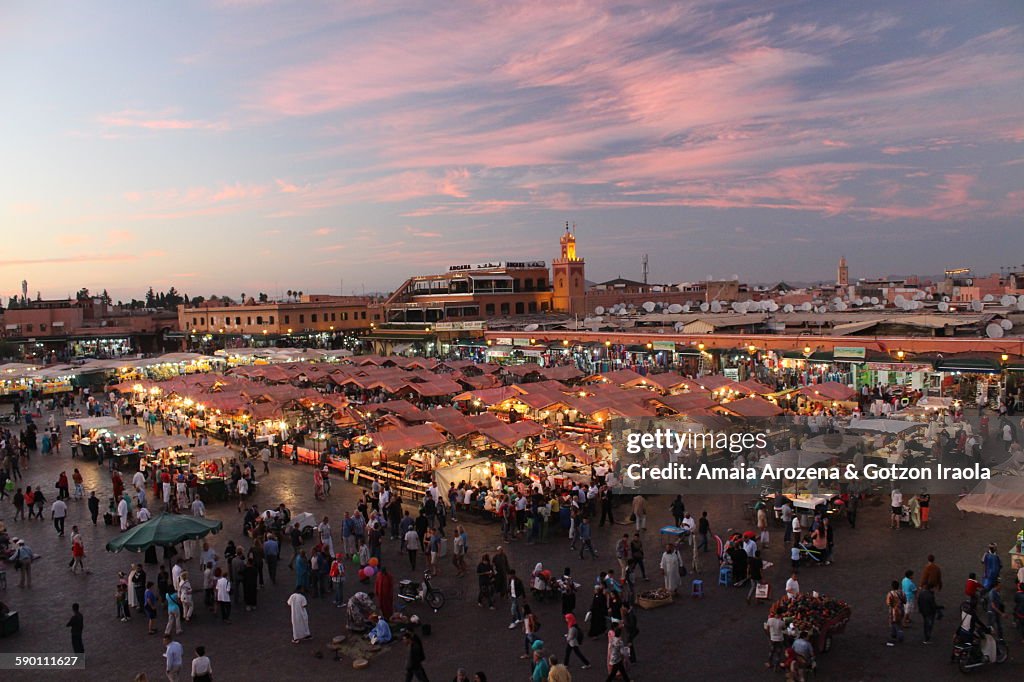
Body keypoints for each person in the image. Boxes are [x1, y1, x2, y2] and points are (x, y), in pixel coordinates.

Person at [886, 580, 905, 646]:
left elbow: (888, 603)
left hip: (893, 611)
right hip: (901, 610)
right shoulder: (902, 592)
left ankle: (893, 635)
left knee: (893, 623)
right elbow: (905, 601)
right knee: (899, 624)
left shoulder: (890, 593)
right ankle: (901, 636)